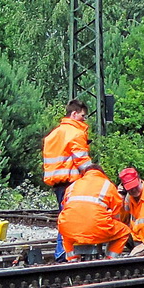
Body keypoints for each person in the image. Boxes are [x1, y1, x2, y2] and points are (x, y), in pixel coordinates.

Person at [41, 99, 91, 260]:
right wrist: (95, 177)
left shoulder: (54, 134)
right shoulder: (75, 133)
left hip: (57, 183)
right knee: (71, 218)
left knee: (65, 217)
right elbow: (82, 161)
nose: (85, 119)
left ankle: (64, 252)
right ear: (74, 114)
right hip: (72, 183)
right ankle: (64, 253)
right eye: (83, 115)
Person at [57, 162, 129, 259]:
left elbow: (65, 207)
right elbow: (116, 213)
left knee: (67, 232)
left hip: (70, 228)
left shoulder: (73, 185)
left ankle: (72, 260)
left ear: (85, 173)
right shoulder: (107, 185)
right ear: (102, 173)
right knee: (124, 231)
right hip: (97, 228)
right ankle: (110, 259)